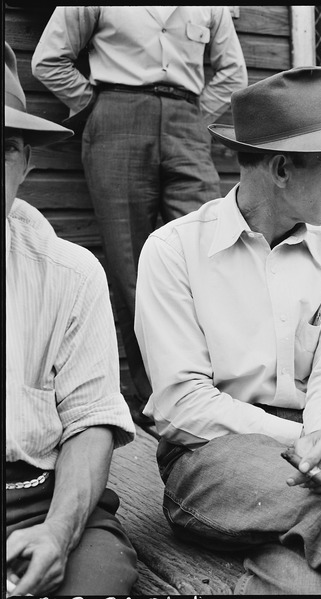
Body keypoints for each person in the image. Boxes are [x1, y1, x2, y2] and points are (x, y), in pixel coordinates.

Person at [134, 66, 321, 594]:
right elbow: (182, 405)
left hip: (310, 447)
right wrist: (317, 439)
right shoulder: (174, 251)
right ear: (282, 169)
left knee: (296, 581)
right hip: (210, 454)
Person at [31, 7, 248, 421]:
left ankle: (221, 386)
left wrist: (195, 117)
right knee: (129, 262)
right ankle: (158, 396)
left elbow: (233, 74)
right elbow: (48, 59)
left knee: (212, 247)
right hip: (116, 116)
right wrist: (94, 105)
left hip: (187, 120)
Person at [4, 41, 137, 596]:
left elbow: (90, 421)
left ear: (28, 163)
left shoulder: (71, 274)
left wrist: (58, 534)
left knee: (96, 581)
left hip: (42, 497)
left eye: (5, 148)